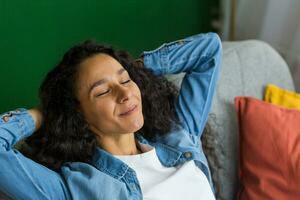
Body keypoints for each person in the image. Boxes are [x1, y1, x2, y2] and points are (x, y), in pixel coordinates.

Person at [0, 32, 222, 200]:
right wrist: (47, 113)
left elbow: (209, 49)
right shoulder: (75, 188)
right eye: (103, 91)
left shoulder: (177, 137)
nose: (126, 93)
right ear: (77, 113)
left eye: (125, 80)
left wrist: (137, 70)